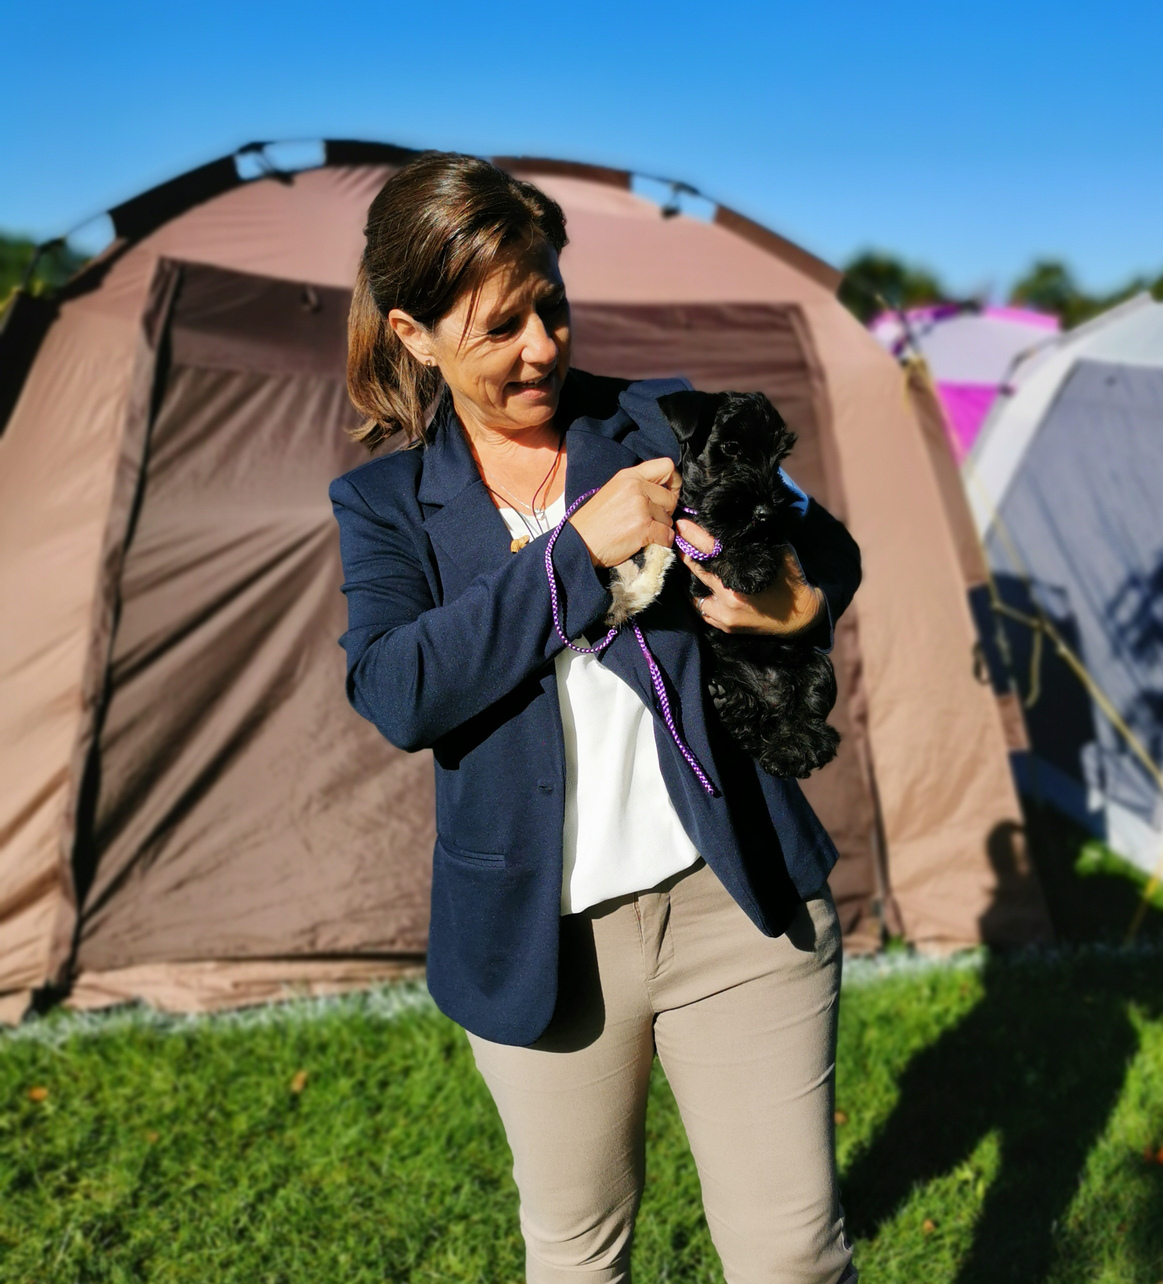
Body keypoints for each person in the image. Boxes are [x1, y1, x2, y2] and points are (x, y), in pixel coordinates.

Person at [331, 151, 861, 1284]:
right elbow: (396, 689)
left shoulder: (663, 421)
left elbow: (827, 555)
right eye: (498, 327)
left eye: (551, 307)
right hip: (540, 940)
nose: (540, 348)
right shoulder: (382, 505)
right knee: (576, 1262)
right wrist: (576, 553)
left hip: (738, 906)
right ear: (412, 335)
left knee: (792, 1258)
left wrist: (788, 605)